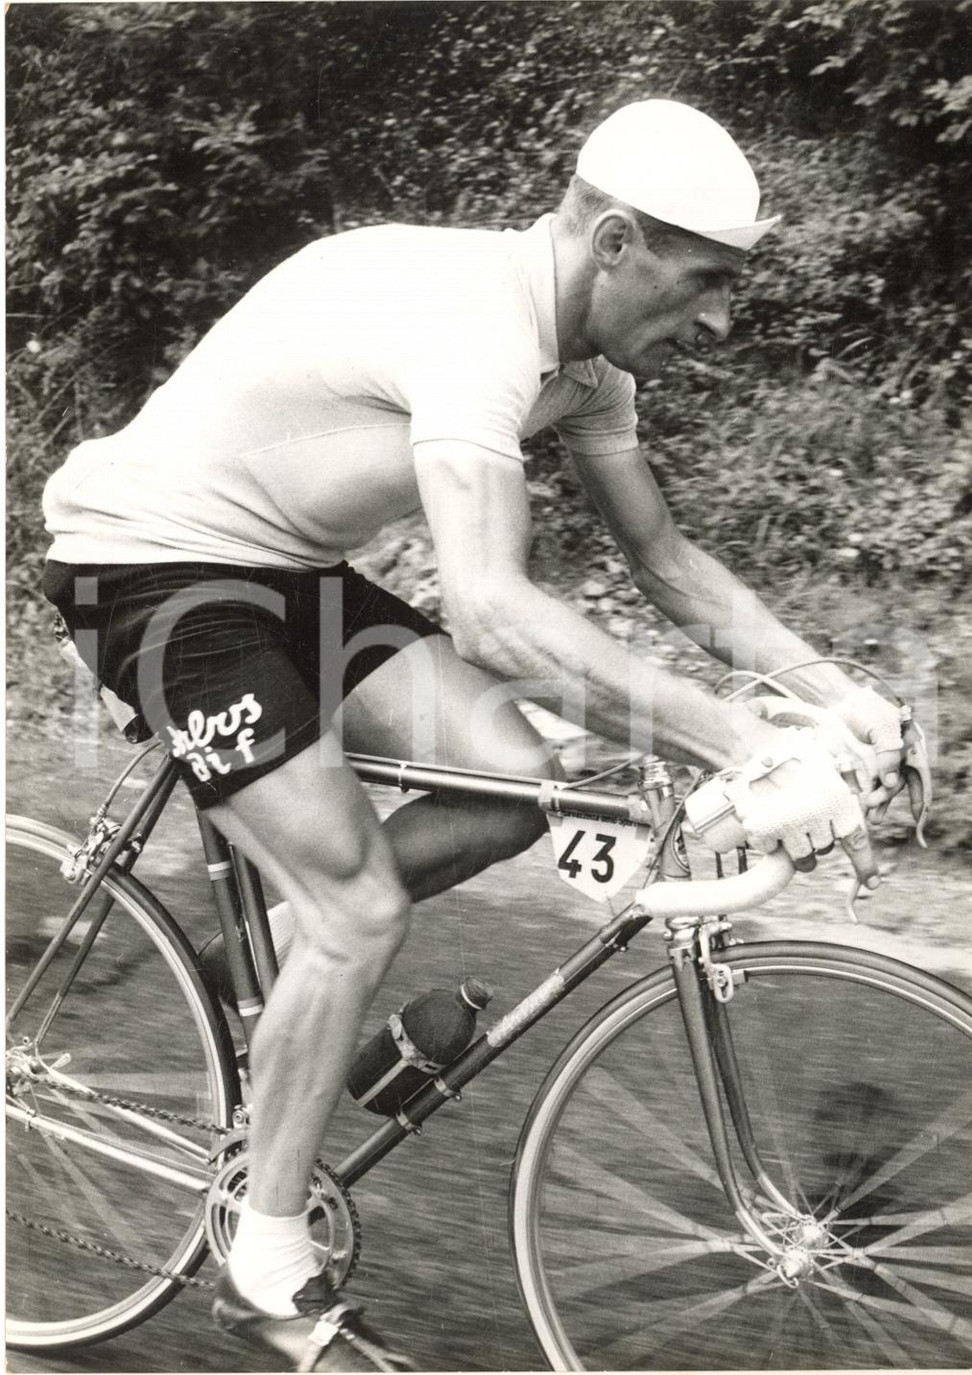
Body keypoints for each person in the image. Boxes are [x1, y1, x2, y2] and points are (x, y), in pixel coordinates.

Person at [41, 99, 907, 1370]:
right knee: (356, 909)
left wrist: (831, 693)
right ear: (614, 241)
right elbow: (493, 610)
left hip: (288, 570)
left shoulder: (594, 368)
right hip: (151, 567)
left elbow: (662, 559)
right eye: (706, 280)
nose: (721, 318)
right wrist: (739, 743)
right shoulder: (477, 326)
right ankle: (265, 1270)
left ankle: (266, 967)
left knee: (524, 784)